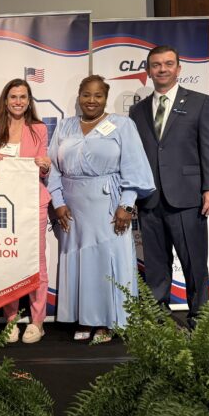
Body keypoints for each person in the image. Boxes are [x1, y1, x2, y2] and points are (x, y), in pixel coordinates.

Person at [48, 75, 154, 344]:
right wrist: (58, 203)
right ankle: (83, 317)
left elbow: (134, 168)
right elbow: (52, 170)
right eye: (86, 95)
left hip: (109, 206)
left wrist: (126, 205)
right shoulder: (65, 127)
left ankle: (107, 321)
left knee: (107, 261)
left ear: (106, 98)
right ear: (79, 96)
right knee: (80, 262)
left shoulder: (122, 125)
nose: (91, 100)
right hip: (72, 209)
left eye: (98, 95)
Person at [129, 45, 209, 329]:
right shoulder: (137, 110)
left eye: (168, 64)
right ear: (148, 71)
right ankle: (159, 319)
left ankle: (200, 318)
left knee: (194, 262)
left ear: (179, 69)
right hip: (150, 198)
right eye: (156, 64)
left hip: (187, 196)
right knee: (156, 265)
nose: (162, 69)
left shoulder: (199, 102)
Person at [0, 79, 51, 344]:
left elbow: (44, 167)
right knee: (8, 262)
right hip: (3, 205)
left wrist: (44, 165)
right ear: (5, 100)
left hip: (34, 201)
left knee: (37, 264)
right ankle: (11, 321)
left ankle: (37, 322)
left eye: (23, 97)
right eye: (13, 97)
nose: (18, 102)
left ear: (29, 100)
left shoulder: (40, 129)